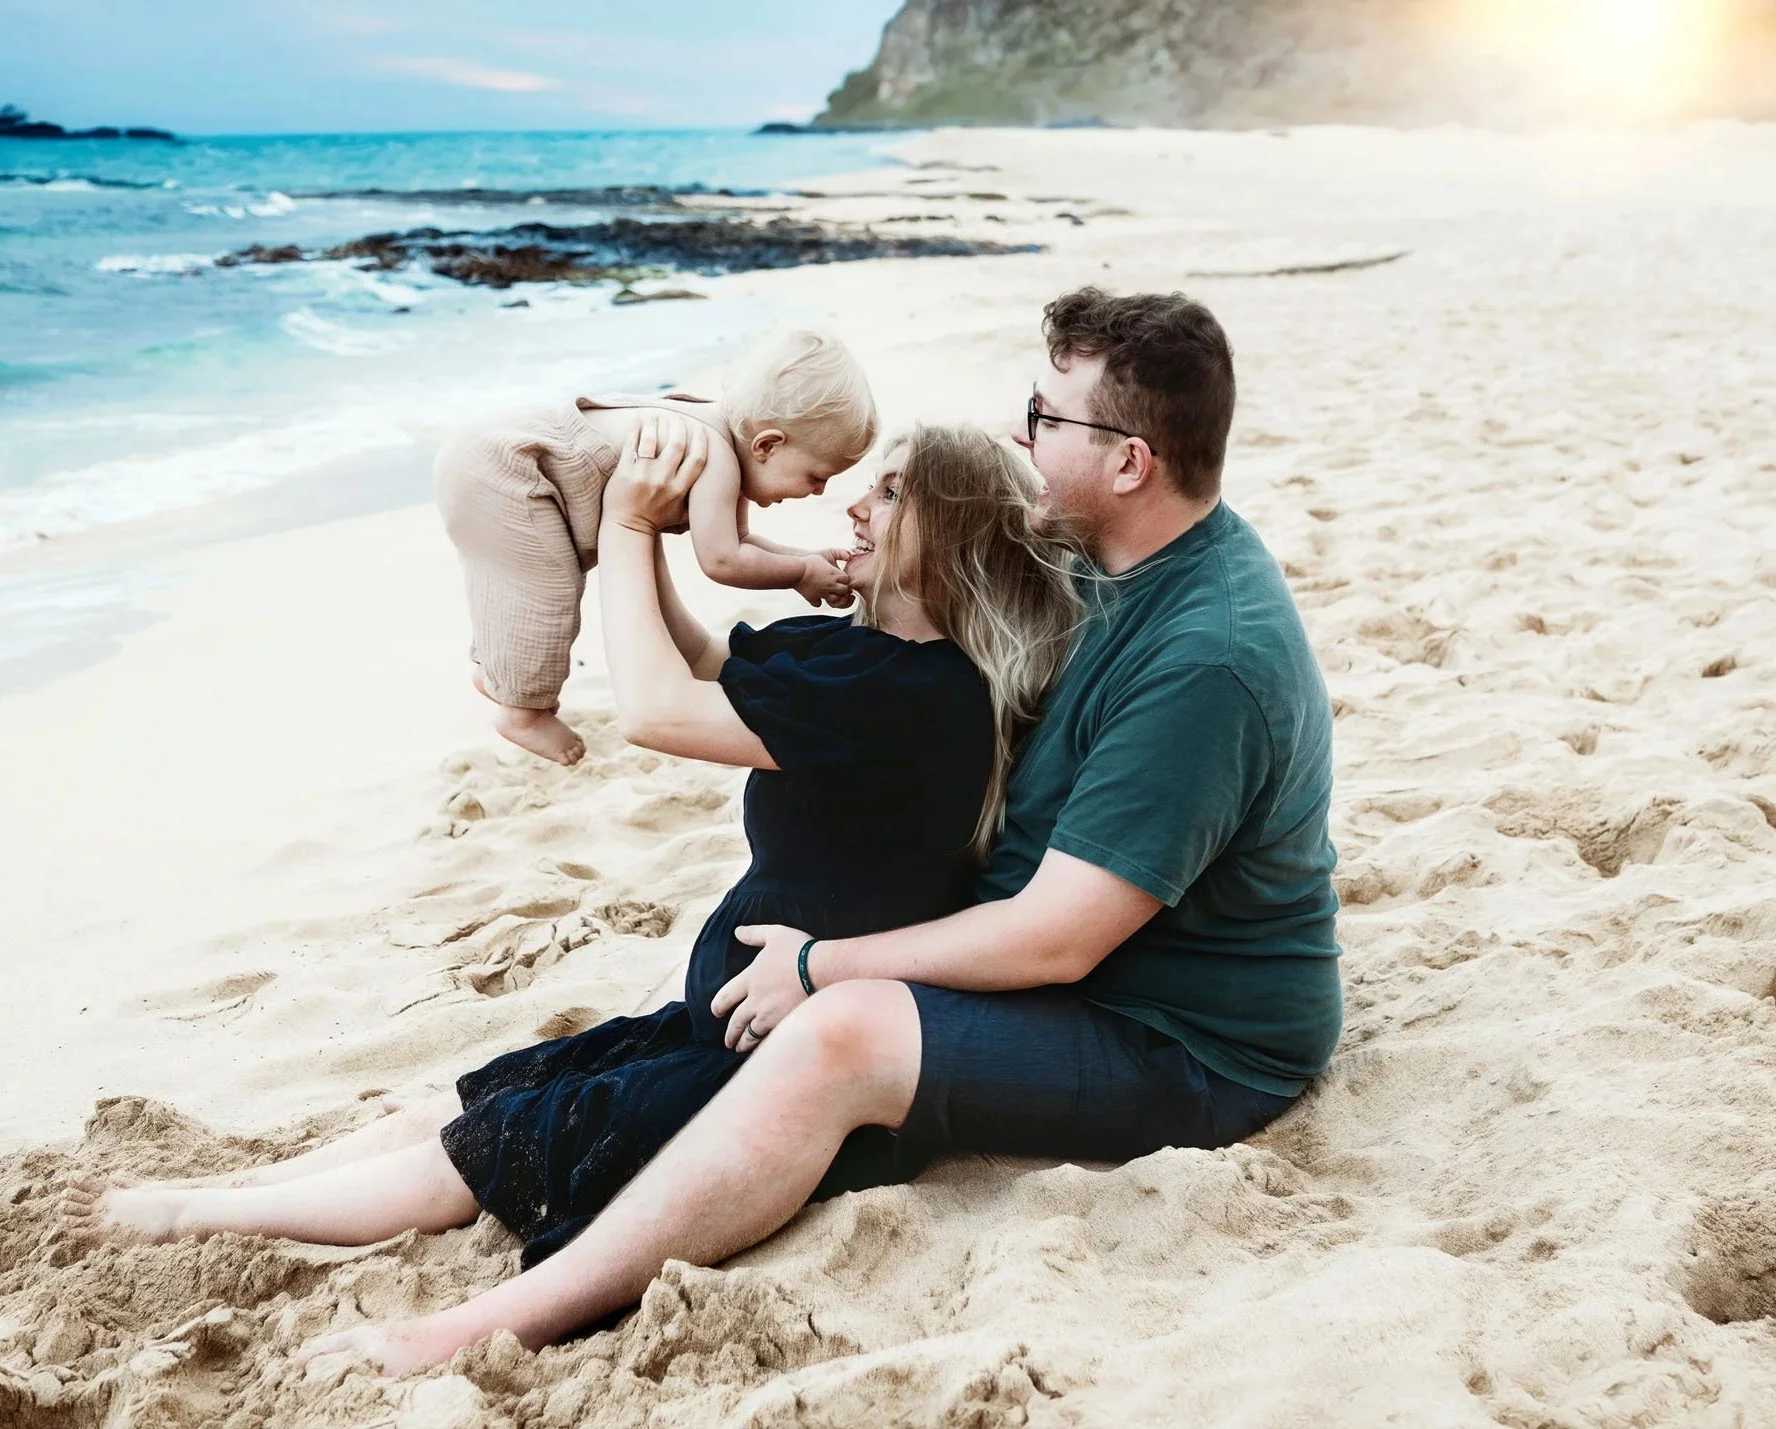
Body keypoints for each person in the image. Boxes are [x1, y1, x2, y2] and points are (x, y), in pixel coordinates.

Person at [60, 419, 1082, 1338]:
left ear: (947, 532)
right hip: (731, 1014)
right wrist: (620, 532)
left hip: (772, 1046)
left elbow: (651, 710)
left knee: (471, 1156)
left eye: (891, 489)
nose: (854, 502)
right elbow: (692, 660)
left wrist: (632, 530)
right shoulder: (855, 655)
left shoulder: (919, 697)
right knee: (465, 1109)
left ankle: (194, 1213)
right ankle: (228, 1188)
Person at [435, 328, 874, 765]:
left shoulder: (716, 430)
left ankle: (498, 674)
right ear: (767, 445)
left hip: (490, 449)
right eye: (817, 476)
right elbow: (723, 561)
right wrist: (799, 575)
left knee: (512, 587)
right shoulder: (716, 458)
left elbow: (739, 543)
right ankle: (523, 713)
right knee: (546, 595)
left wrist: (804, 559)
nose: (818, 492)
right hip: (513, 470)